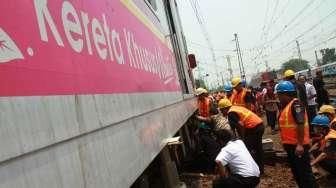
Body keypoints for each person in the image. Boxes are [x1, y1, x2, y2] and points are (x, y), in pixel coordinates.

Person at [276, 81, 317, 188]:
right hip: (290, 145)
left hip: (298, 145)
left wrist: (299, 144)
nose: (278, 97)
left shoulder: (296, 105)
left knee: (305, 174)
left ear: (285, 94)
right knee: (297, 173)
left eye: (279, 95)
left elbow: (300, 124)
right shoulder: (287, 106)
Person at [218, 98, 264, 174]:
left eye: (222, 110)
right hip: (259, 125)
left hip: (253, 129)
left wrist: (242, 138)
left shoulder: (230, 113)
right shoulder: (235, 108)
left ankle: (248, 170)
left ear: (225, 108)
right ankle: (260, 170)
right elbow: (235, 127)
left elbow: (241, 125)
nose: (222, 113)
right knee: (258, 148)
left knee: (246, 149)